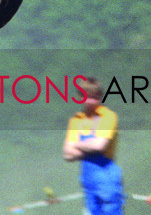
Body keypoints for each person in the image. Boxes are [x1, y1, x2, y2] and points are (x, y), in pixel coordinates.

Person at [63, 77, 124, 215]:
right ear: (80, 97)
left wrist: (77, 145)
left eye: (95, 97)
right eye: (87, 97)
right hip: (88, 183)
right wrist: (88, 147)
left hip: (108, 180)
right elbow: (67, 153)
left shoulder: (108, 116)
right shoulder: (76, 120)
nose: (91, 101)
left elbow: (99, 145)